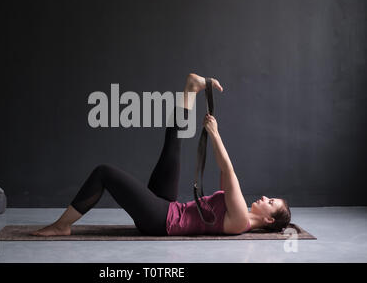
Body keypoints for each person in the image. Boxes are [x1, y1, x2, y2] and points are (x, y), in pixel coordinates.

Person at [31, 73, 291, 237]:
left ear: (268, 219)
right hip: (169, 207)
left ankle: (62, 225)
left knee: (104, 172)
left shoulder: (240, 219)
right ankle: (191, 89)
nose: (266, 197)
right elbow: (225, 174)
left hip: (160, 221)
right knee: (173, 143)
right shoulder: (239, 211)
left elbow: (229, 171)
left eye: (271, 202)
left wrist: (215, 133)